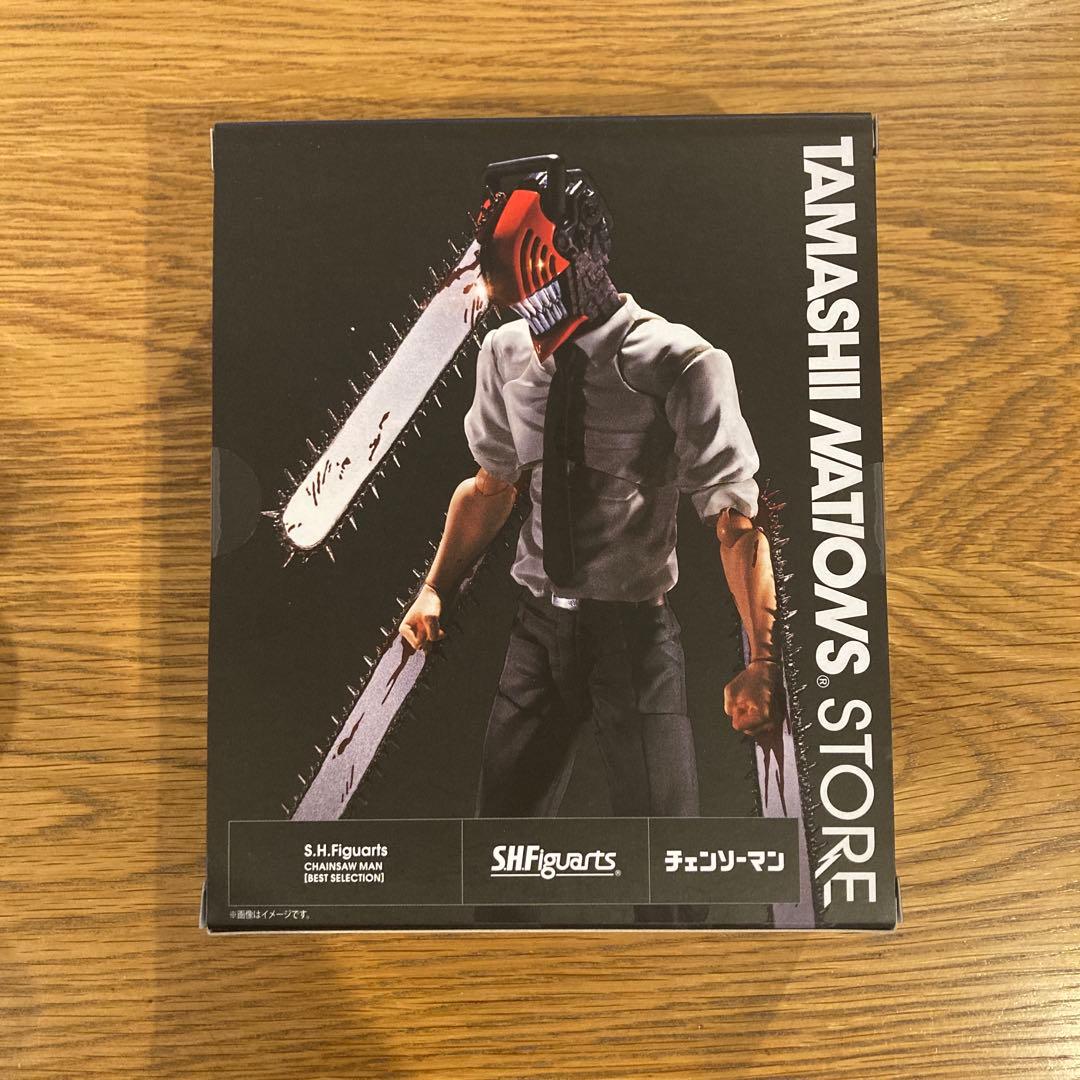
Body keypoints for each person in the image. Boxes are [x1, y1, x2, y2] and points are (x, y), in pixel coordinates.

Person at [399, 155, 784, 825]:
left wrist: (763, 659)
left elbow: (735, 523)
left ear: (581, 256)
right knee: (499, 843)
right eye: (518, 301)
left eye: (539, 292)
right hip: (538, 632)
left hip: (632, 638)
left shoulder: (679, 362)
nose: (532, 315)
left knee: (665, 844)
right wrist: (435, 586)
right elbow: (491, 487)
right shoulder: (505, 355)